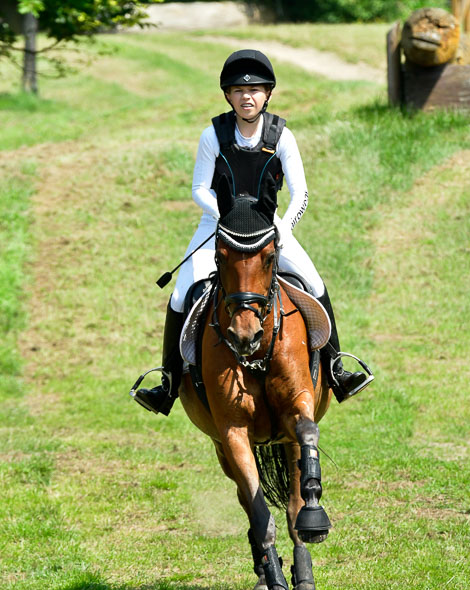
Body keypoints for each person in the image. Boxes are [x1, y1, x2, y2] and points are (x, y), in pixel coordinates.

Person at [133, 49, 372, 416]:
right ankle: (167, 381)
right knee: (181, 294)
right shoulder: (212, 135)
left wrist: (284, 228)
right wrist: (226, 216)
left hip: (270, 228)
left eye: (256, 89)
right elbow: (198, 190)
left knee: (315, 283)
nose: (247, 96)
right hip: (216, 226)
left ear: (268, 94)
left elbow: (301, 192)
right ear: (228, 95)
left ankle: (337, 368)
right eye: (238, 90)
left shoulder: (283, 136)